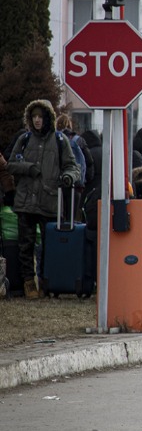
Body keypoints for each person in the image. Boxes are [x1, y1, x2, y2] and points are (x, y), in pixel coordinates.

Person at [6, 100, 81, 299]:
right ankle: (28, 283)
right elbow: (10, 164)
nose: (37, 120)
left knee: (50, 247)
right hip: (26, 201)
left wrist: (68, 177)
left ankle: (47, 282)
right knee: (25, 246)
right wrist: (28, 168)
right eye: (34, 116)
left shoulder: (59, 140)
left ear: (48, 117)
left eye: (40, 116)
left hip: (50, 201)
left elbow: (73, 167)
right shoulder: (24, 139)